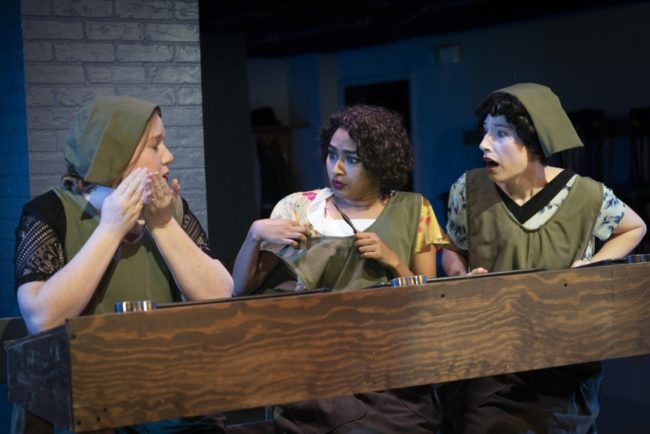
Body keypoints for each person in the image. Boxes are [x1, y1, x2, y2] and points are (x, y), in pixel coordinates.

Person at [13, 95, 233, 434]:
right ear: (116, 155)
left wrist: (162, 224)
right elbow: (43, 318)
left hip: (166, 403)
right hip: (84, 407)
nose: (169, 156)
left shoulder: (169, 208)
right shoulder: (49, 212)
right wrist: (110, 228)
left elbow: (219, 295)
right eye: (156, 146)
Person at [440, 83, 647, 433]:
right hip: (491, 355)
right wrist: (461, 276)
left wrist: (594, 265)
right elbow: (452, 248)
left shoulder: (586, 194)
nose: (484, 144)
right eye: (486, 132)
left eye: (501, 134)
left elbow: (634, 227)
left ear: (535, 142)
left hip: (561, 358)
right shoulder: (469, 189)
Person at [233, 104, 447, 433]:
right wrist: (253, 236)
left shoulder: (415, 209)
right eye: (332, 155)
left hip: (389, 364)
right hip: (316, 363)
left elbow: (428, 301)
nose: (338, 169)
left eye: (353, 159)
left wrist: (393, 260)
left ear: (379, 163)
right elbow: (242, 288)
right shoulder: (297, 208)